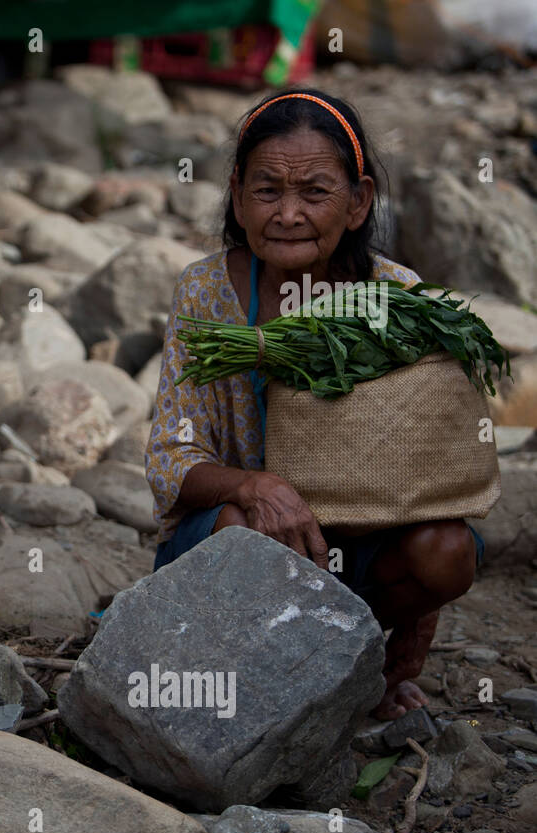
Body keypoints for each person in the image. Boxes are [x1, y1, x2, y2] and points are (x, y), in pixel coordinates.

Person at [144, 89, 483, 721]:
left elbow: (433, 469)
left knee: (447, 550)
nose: (289, 214)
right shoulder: (206, 291)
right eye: (267, 191)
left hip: (361, 545)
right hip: (240, 542)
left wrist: (417, 623)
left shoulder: (396, 296)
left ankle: (359, 663)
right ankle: (269, 680)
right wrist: (253, 486)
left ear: (358, 203)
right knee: (243, 534)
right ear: (238, 195)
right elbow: (171, 458)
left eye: (316, 193)